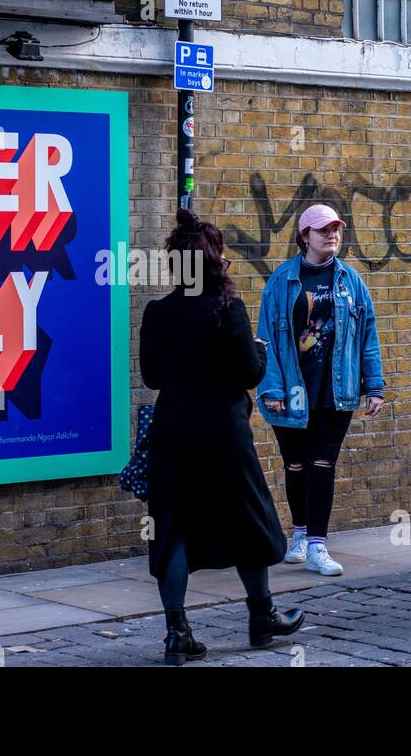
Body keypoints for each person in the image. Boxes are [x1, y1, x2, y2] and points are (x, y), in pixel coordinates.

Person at [139, 208, 304, 665]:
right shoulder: (227, 309)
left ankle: (177, 633)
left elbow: (152, 377)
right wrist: (257, 351)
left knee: (171, 530)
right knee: (247, 519)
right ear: (216, 263)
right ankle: (261, 617)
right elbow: (249, 374)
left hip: (172, 434)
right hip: (223, 433)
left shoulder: (157, 313)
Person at [256, 204, 386, 576]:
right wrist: (272, 388)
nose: (331, 235)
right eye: (322, 230)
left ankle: (317, 544)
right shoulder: (281, 282)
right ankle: (298, 534)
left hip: (336, 390)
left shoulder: (351, 281)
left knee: (322, 464)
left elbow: (368, 336)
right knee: (295, 465)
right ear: (304, 236)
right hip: (292, 391)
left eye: (336, 229)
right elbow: (265, 339)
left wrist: (373, 385)